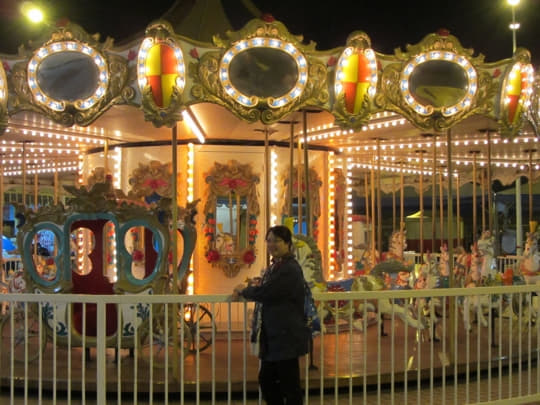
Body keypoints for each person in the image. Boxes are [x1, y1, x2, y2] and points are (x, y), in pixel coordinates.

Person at [233, 225, 308, 405]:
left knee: (286, 383)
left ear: (288, 244)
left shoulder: (289, 269)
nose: (272, 244)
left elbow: (269, 292)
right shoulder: (277, 266)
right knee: (269, 379)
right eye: (269, 240)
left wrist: (246, 291)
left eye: (277, 241)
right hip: (276, 334)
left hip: (285, 334)